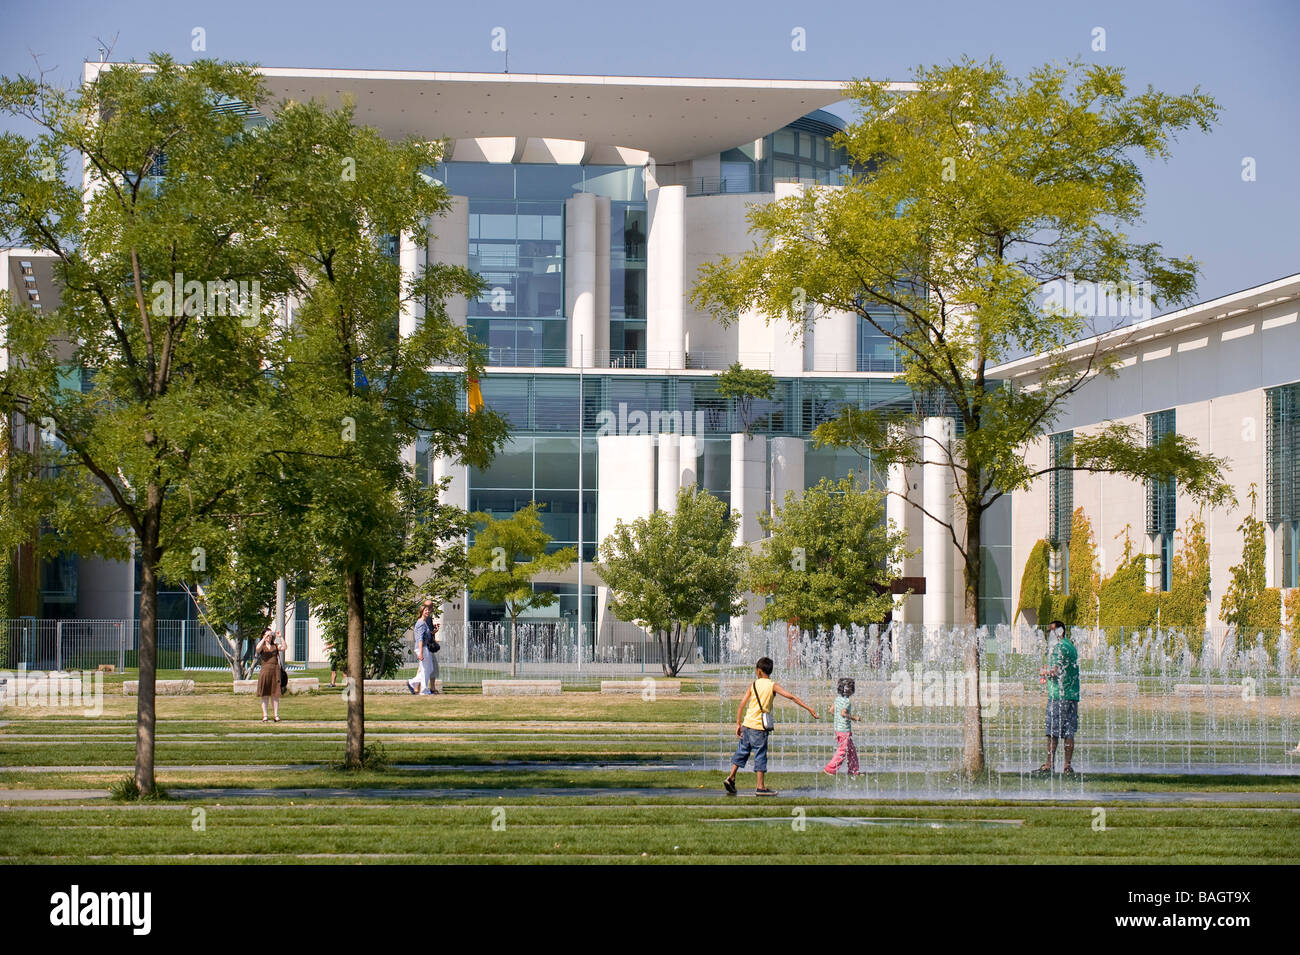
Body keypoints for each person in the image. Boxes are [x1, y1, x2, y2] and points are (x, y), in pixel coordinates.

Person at [723, 656, 818, 797]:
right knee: (760, 754)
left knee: (742, 751)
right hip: (759, 727)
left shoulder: (753, 684)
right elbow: (791, 696)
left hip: (747, 724)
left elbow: (742, 704)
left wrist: (738, 723)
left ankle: (731, 777)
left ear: (759, 671)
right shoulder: (772, 685)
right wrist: (809, 709)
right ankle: (760, 787)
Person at [1032, 620, 1080, 777]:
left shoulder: (1059, 647)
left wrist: (1043, 672)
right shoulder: (1070, 646)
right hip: (1072, 695)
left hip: (1059, 696)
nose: (1048, 635)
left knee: (1052, 732)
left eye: (1050, 632)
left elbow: (1056, 671)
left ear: (1059, 632)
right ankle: (1067, 766)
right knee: (1069, 731)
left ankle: (1049, 764)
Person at [823, 677, 863, 777]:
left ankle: (853, 770)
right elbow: (843, 713)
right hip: (844, 730)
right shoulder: (846, 702)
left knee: (851, 751)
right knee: (842, 751)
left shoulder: (838, 699)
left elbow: (831, 711)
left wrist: (839, 720)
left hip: (838, 729)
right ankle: (830, 769)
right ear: (850, 690)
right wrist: (855, 718)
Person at [406, 600, 440, 696]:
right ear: (421, 612)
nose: (427, 611)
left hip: (425, 648)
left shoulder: (424, 623)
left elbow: (427, 636)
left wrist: (434, 632)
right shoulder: (421, 623)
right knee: (426, 669)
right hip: (422, 648)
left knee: (429, 669)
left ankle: (412, 683)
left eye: (428, 610)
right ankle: (423, 690)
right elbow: (419, 639)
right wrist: (420, 652)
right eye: (425, 610)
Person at [255, 628, 285, 723]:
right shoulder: (262, 646)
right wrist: (264, 638)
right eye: (267, 635)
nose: (269, 637)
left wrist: (281, 637)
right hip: (265, 671)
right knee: (264, 694)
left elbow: (284, 648)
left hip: (275, 671)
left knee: (275, 694)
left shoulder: (275, 645)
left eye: (270, 635)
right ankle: (265, 716)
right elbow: (257, 649)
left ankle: (276, 715)